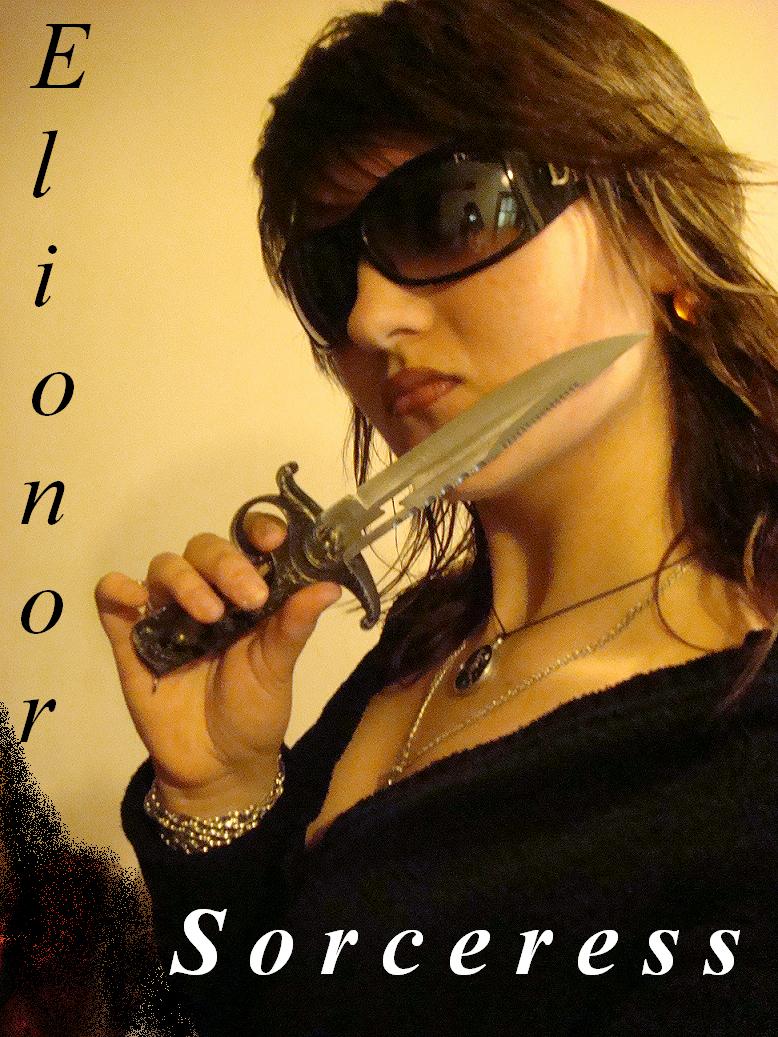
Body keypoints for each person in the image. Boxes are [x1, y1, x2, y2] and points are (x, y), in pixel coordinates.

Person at [95, 1, 778, 1034]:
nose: (369, 320)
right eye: (331, 275)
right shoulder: (425, 644)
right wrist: (218, 798)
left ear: (658, 239)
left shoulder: (744, 754)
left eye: (452, 213)